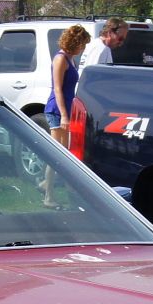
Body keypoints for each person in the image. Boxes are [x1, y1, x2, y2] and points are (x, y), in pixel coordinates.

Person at [43, 25, 90, 204]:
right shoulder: (60, 59)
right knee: (57, 154)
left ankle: (45, 184)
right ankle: (48, 196)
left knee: (64, 153)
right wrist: (64, 115)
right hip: (57, 110)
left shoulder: (71, 59)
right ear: (74, 42)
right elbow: (57, 89)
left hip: (68, 109)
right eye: (82, 44)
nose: (83, 48)